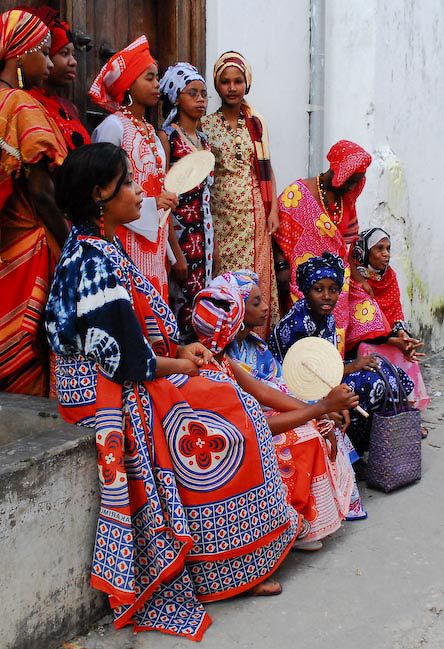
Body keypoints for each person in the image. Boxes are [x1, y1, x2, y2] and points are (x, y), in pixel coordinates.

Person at [45, 143, 301, 640]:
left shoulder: (100, 245)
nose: (139, 190)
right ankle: (225, 569)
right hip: (101, 392)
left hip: (122, 375)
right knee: (225, 415)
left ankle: (237, 560)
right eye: (128, 183)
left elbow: (134, 338)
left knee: (224, 390)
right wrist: (180, 361)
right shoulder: (92, 261)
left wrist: (184, 351)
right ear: (101, 195)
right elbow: (124, 361)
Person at [192, 278, 361, 545]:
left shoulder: (222, 360)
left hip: (253, 425)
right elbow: (256, 425)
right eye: (254, 302)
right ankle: (291, 523)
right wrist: (320, 408)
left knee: (317, 426)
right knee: (303, 438)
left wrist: (318, 412)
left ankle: (306, 517)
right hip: (234, 443)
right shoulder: (211, 373)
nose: (265, 307)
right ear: (234, 323)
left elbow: (265, 393)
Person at [268, 253, 414, 455]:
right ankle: (355, 446)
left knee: (385, 371)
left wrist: (353, 366)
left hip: (323, 376)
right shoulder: (298, 324)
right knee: (371, 384)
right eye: (318, 289)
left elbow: (326, 362)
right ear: (306, 291)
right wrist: (353, 367)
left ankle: (375, 445)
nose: (327, 296)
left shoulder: (324, 314)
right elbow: (304, 374)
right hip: (298, 387)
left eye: (333, 290)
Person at [0, 8, 67, 396]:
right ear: (20, 54)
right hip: (27, 245)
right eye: (42, 50)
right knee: (27, 348)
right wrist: (74, 240)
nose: (46, 60)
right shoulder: (20, 104)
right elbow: (42, 191)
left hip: (4, 242)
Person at [274, 140, 390, 354]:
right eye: (351, 181)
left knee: (368, 312)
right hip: (303, 281)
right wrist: (282, 267)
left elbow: (344, 250)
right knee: (306, 330)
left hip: (338, 281)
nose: (353, 187)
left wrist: (360, 280)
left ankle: (335, 369)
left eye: (357, 182)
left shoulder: (346, 200)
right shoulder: (298, 194)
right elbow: (276, 234)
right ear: (339, 172)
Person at [89, 36, 178, 299]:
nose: (156, 84)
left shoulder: (151, 131)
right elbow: (103, 190)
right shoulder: (113, 127)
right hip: (124, 237)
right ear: (128, 83)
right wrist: (152, 204)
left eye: (156, 77)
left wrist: (169, 251)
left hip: (154, 241)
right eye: (148, 77)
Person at [201, 51, 279, 338]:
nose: (231, 87)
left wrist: (273, 212)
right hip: (222, 218)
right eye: (225, 82)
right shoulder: (206, 126)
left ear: (247, 83)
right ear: (217, 85)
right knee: (227, 277)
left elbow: (266, 168)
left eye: (237, 81)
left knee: (256, 277)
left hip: (255, 217)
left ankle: (257, 342)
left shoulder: (256, 123)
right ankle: (229, 340)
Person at [158, 62, 214, 343]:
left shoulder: (203, 141)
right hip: (180, 237)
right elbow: (164, 199)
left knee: (200, 304)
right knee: (178, 301)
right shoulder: (167, 138)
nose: (200, 99)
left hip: (204, 240)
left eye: (204, 93)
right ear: (175, 96)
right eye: (192, 93)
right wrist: (175, 254)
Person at [352, 227, 430, 413]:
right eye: (379, 248)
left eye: (388, 248)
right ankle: (383, 414)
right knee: (368, 351)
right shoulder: (354, 280)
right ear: (364, 251)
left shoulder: (390, 276)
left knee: (407, 355)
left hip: (386, 338)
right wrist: (393, 340)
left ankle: (407, 414)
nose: (386, 254)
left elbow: (395, 314)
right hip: (361, 342)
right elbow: (360, 326)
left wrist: (402, 336)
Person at [27, 6, 90, 150]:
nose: (73, 62)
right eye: (64, 53)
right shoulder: (29, 104)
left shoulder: (70, 109)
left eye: (73, 54)